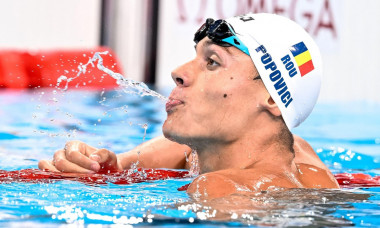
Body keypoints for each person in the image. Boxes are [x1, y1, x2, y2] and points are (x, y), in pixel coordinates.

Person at [39, 13, 339, 199]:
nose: (179, 71)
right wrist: (122, 164)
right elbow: (187, 151)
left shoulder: (220, 190)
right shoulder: (297, 156)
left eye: (212, 62)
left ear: (272, 97)